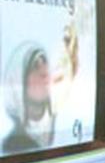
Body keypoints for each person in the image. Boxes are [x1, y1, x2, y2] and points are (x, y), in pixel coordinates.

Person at [2, 25, 79, 155]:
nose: (44, 72)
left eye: (45, 63)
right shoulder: (12, 146)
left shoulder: (64, 122)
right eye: (35, 66)